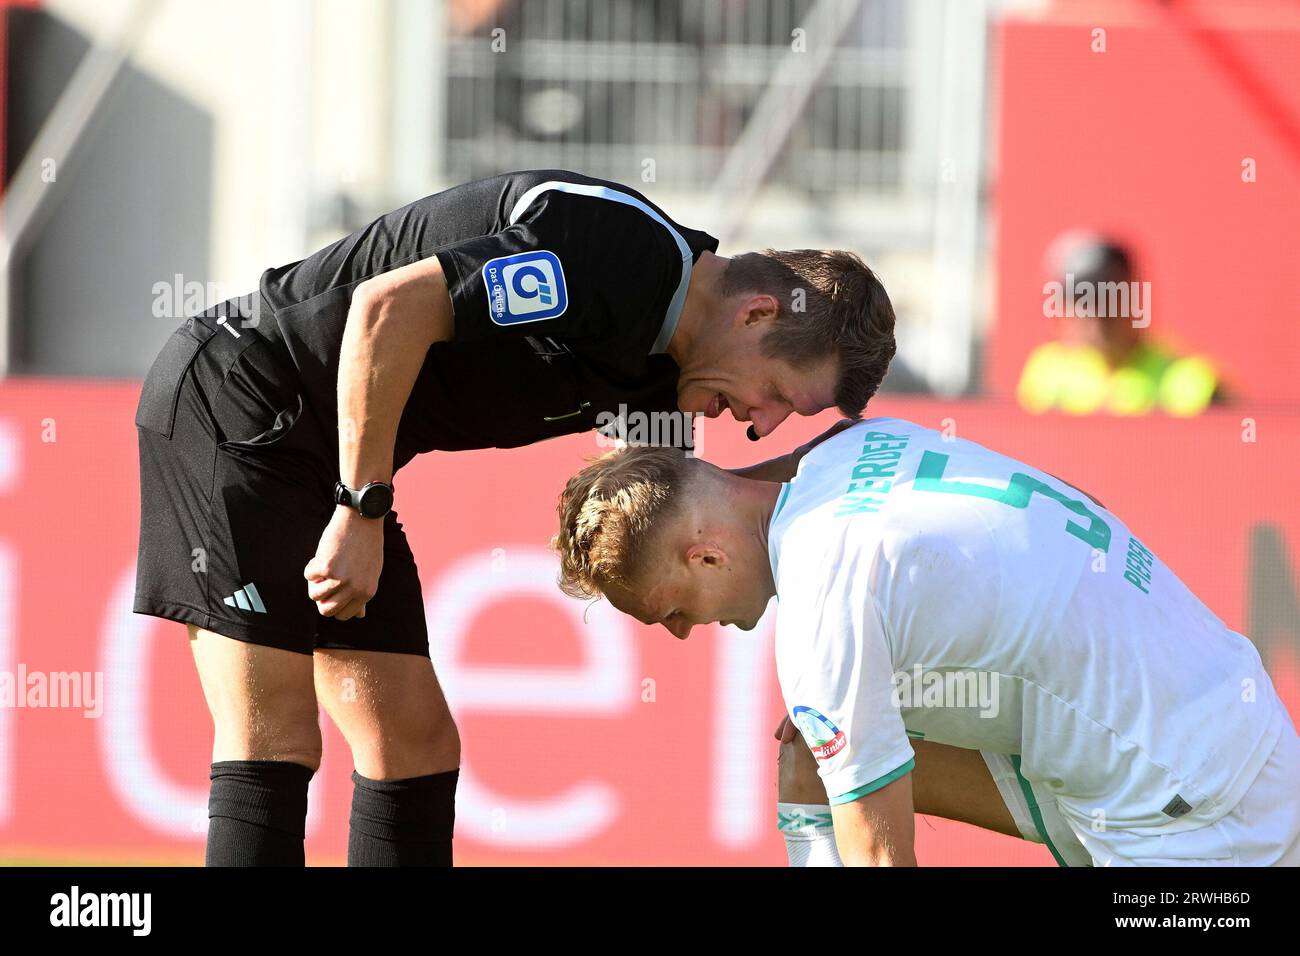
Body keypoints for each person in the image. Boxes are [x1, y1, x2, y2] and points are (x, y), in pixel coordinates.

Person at [133, 169, 897, 865]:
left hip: (331, 456)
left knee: (415, 744)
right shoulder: (619, 256)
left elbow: (704, 510)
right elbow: (385, 309)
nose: (760, 426)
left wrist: (847, 473)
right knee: (276, 736)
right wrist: (360, 508)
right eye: (777, 395)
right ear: (759, 314)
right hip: (240, 399)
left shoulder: (673, 377)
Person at [552, 418, 1299, 866]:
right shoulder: (866, 445)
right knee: (810, 759)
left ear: (707, 557)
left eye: (673, 611)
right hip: (1228, 726)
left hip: (1201, 823)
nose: (685, 634)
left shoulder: (820, 612)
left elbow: (881, 856)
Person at [1018, 236, 1223, 416]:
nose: (1093, 314)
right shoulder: (1047, 373)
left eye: (1105, 296)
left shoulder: (1188, 380)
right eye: (1080, 299)